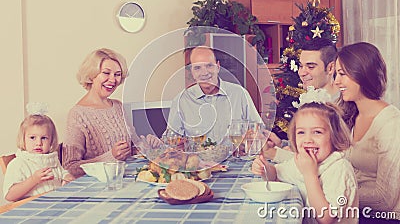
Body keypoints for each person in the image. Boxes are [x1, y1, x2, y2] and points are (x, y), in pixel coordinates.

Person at [252, 92, 358, 224]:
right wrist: (265, 168)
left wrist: (310, 175)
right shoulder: (302, 161)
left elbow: (326, 218)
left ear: (334, 136)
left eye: (317, 132)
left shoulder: (339, 168)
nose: (308, 139)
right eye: (301, 132)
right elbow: (277, 174)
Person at [62, 48, 160, 177]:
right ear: (92, 75)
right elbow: (71, 167)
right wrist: (111, 157)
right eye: (106, 73)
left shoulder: (118, 106)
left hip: (126, 178)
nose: (113, 80)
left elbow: (133, 147)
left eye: (117, 74)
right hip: (98, 186)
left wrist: (148, 145)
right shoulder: (78, 114)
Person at [335, 42, 400, 222]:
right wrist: (276, 152)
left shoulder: (391, 123)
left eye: (342, 74)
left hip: (385, 217)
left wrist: (338, 193)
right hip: (357, 210)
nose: (336, 81)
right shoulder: (352, 114)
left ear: (362, 73)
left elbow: (385, 199)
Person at [167, 46, 262, 143]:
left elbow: (259, 131)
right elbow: (171, 139)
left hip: (236, 158)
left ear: (218, 66)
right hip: (197, 158)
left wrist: (250, 139)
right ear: (192, 71)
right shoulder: (181, 100)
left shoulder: (240, 94)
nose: (204, 72)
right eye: (197, 68)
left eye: (209, 65)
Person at [266, 38, 339, 161]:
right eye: (301, 66)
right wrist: (280, 144)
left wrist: (275, 154)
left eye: (310, 67)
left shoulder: (342, 106)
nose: (301, 73)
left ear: (331, 68)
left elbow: (324, 161)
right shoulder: (309, 98)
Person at [3, 103, 74, 202]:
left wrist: (67, 177)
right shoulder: (18, 164)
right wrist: (33, 180)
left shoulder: (52, 159)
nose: (38, 143)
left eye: (44, 138)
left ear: (51, 141)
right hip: (31, 209)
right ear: (23, 139)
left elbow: (61, 173)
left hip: (54, 204)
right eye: (32, 138)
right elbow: (9, 195)